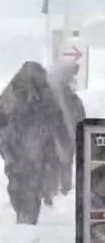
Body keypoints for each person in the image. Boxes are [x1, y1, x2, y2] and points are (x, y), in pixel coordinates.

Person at [0, 62, 69, 225]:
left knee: (24, 184)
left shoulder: (40, 94)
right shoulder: (20, 92)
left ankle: (26, 216)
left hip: (26, 149)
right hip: (23, 148)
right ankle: (26, 215)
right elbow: (58, 120)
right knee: (27, 184)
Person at [45, 60, 86, 202]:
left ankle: (62, 193)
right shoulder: (51, 96)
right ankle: (54, 193)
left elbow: (79, 115)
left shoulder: (70, 97)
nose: (70, 79)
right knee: (56, 163)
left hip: (66, 135)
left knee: (64, 163)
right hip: (56, 134)